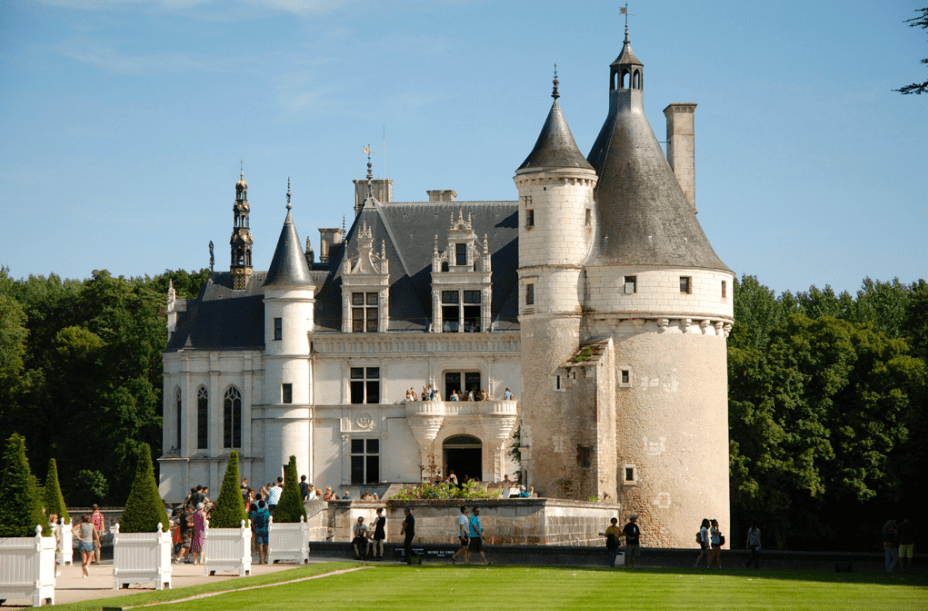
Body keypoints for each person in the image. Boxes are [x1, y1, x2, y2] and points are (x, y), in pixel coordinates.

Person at [251, 499, 270, 564]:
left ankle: (260, 559)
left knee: (260, 545)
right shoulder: (266, 512)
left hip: (258, 530)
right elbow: (269, 520)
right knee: (266, 544)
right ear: (264, 505)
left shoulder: (255, 512)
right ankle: (265, 558)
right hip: (265, 529)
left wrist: (254, 528)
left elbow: (252, 521)